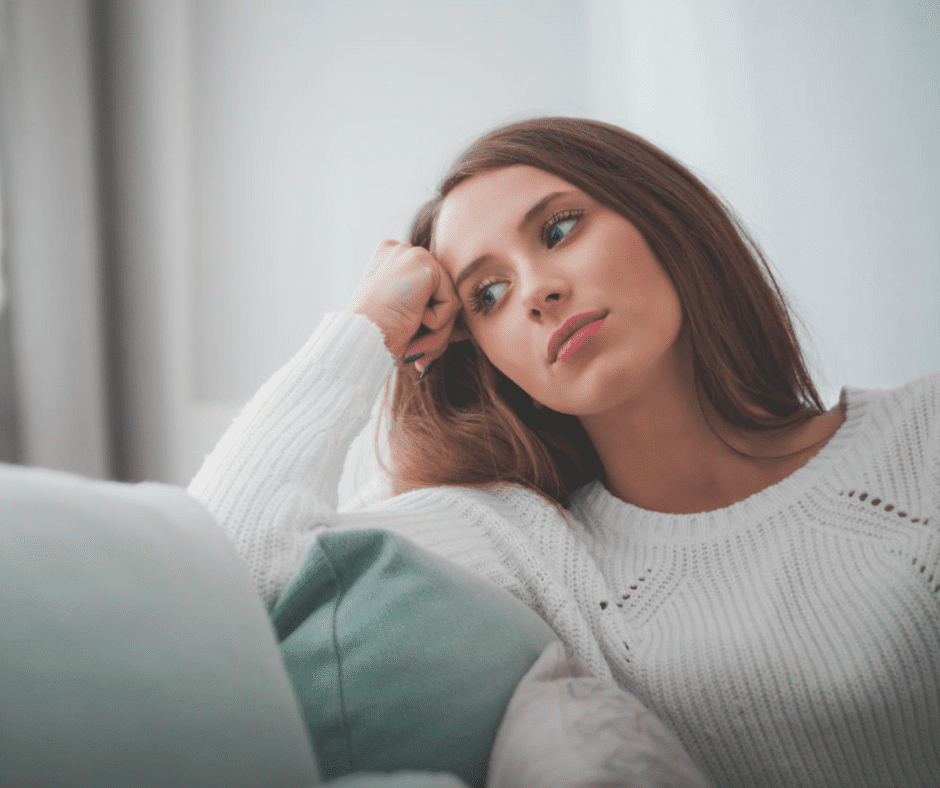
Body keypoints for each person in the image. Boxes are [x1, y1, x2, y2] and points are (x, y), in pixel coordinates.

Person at [189, 117, 940, 787]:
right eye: (487, 295)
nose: (536, 292)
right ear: (490, 360)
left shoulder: (922, 432)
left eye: (557, 230)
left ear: (661, 217)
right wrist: (366, 328)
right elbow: (218, 579)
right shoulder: (530, 545)